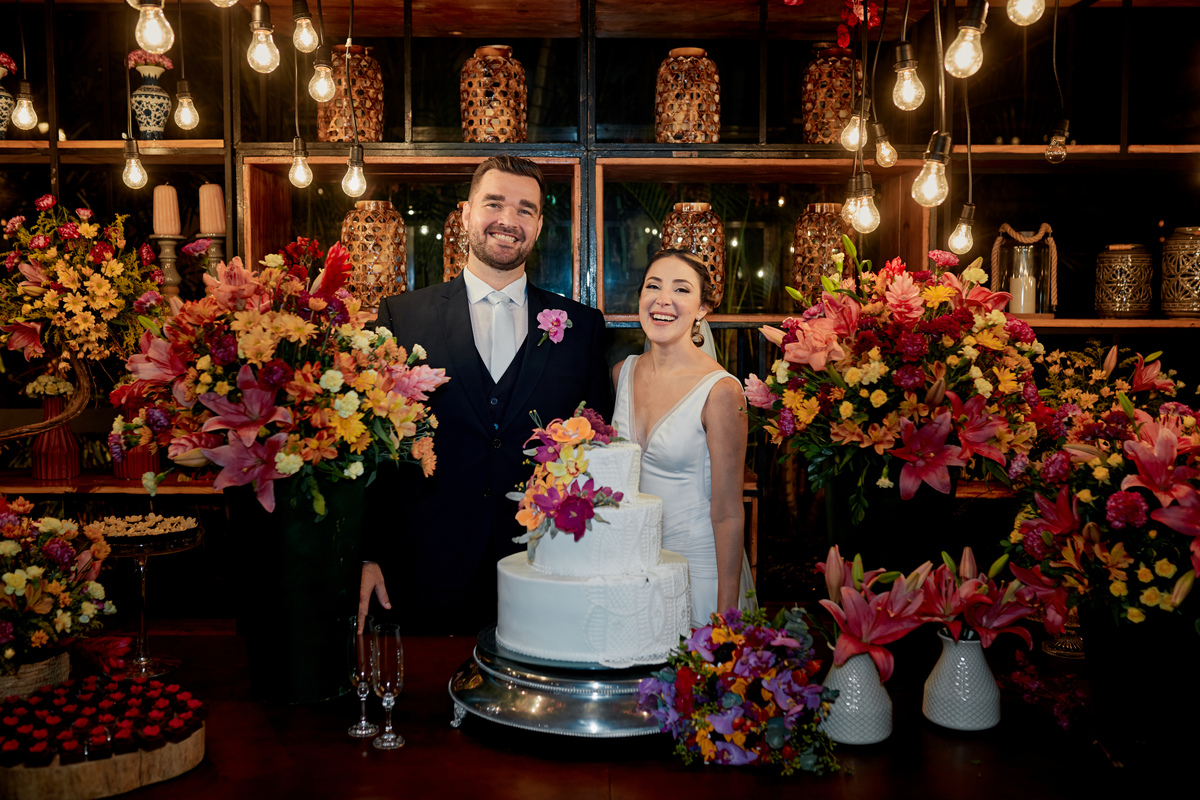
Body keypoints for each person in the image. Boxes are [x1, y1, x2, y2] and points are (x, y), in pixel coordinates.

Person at [359, 156, 612, 634]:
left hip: (544, 565)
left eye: (525, 209)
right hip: (426, 568)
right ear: (466, 212)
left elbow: (596, 451)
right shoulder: (402, 317)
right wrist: (369, 555)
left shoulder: (581, 328)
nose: (508, 220)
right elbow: (376, 454)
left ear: (538, 224)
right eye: (494, 203)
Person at [611, 249, 755, 628]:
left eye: (681, 289)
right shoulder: (621, 374)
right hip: (634, 568)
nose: (663, 299)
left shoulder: (722, 391)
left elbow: (728, 512)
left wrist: (726, 616)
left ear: (703, 308)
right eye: (653, 286)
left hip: (699, 572)